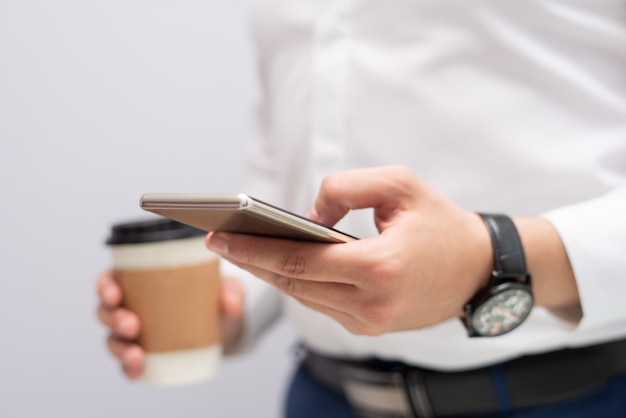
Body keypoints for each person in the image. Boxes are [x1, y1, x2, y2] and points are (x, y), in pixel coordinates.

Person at [97, 1, 626, 416]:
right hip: (321, 399)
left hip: (577, 398)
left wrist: (491, 261)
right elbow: (281, 160)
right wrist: (235, 299)